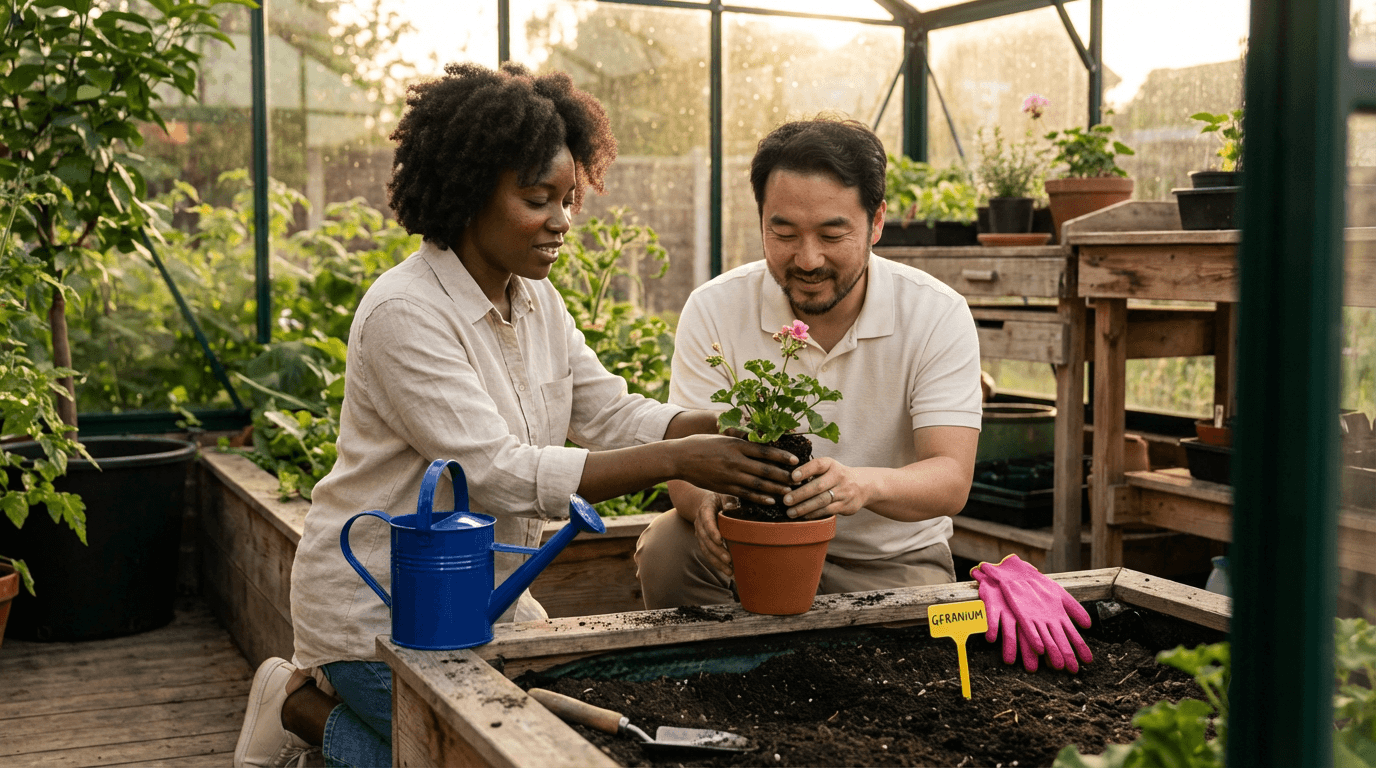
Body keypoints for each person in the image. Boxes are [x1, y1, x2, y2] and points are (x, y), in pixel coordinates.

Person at [232, 62, 798, 768]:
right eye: (538, 199)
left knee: (531, 744)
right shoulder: (406, 312)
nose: (562, 221)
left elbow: (609, 410)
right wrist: (681, 461)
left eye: (569, 199)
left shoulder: (537, 300)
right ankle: (297, 708)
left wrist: (716, 429)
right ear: (470, 195)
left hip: (486, 600)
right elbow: (492, 473)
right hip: (380, 609)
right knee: (461, 759)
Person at [635, 116, 983, 608]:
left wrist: (862, 484)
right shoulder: (715, 307)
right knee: (669, 545)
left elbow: (950, 477)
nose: (808, 259)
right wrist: (709, 502)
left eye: (832, 235)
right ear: (761, 221)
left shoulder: (934, 312)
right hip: (745, 543)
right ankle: (707, 680)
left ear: (876, 222)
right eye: (785, 234)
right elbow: (685, 466)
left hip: (882, 559)